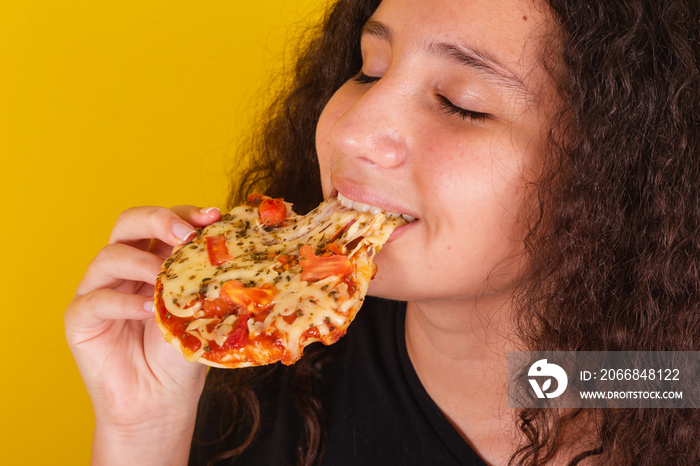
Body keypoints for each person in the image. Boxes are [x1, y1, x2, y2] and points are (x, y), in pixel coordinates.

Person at [64, 0, 700, 464]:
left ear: (619, 170)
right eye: (369, 69)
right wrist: (141, 434)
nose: (350, 131)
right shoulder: (261, 382)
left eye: (462, 104)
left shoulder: (663, 384)